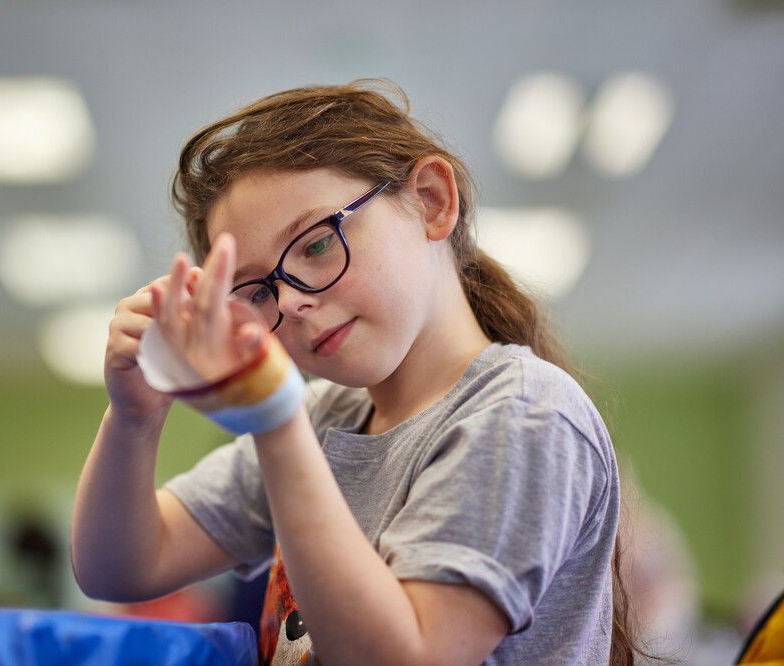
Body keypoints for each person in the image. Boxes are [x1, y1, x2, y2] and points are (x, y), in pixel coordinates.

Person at [72, 80, 636, 665]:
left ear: (432, 201)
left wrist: (276, 424)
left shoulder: (523, 412)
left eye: (316, 245)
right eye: (258, 291)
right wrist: (134, 416)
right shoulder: (325, 418)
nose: (290, 303)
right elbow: (120, 568)